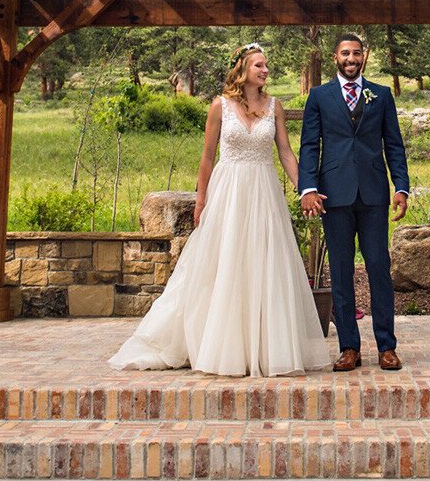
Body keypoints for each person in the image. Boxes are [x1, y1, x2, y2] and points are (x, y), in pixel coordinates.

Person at [109, 44, 329, 377]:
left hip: (264, 193)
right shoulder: (219, 107)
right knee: (223, 263)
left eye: (266, 65)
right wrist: (201, 201)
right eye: (259, 65)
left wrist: (305, 190)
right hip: (228, 194)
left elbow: (285, 152)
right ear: (243, 68)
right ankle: (219, 345)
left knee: (262, 264)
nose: (265, 70)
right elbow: (207, 157)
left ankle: (264, 347)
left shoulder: (275, 107)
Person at [299, 33, 409, 372]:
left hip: (374, 194)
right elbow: (308, 145)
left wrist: (401, 187)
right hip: (334, 194)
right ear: (335, 57)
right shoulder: (319, 96)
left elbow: (394, 144)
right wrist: (308, 188)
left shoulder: (382, 95)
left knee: (378, 268)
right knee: (342, 272)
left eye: (356, 53)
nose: (351, 58)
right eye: (345, 53)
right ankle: (349, 347)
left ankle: (387, 347)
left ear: (365, 56)